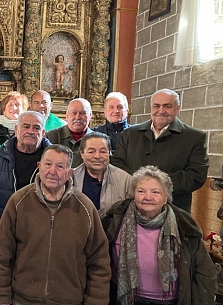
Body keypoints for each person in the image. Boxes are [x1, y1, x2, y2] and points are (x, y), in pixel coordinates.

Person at [0, 144, 111, 305]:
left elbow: (99, 261)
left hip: (69, 300)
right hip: (22, 299)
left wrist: (96, 301)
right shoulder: (18, 202)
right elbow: (1, 254)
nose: (52, 171)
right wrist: (0, 296)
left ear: (69, 173)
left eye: (60, 166)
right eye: (48, 164)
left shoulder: (85, 207)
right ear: (39, 166)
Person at [102, 166, 216, 305]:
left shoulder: (184, 226)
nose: (148, 197)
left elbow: (204, 273)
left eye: (155, 192)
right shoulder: (114, 219)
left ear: (166, 196)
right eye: (141, 191)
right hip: (124, 298)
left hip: (170, 301)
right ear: (133, 194)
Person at [0, 111, 51, 287]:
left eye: (36, 128)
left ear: (43, 133)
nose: (31, 131)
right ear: (16, 129)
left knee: (32, 284)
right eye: (26, 126)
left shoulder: (53, 159)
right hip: (2, 230)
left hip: (39, 234)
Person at [111, 88, 209, 212]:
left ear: (177, 108)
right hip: (132, 206)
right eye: (156, 106)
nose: (161, 111)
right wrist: (139, 185)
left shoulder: (194, 137)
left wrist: (157, 186)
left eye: (167, 106)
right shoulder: (131, 133)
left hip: (174, 209)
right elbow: (117, 164)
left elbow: (196, 176)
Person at [73, 131, 132, 216]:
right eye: (91, 152)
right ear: (82, 154)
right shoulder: (71, 178)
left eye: (103, 151)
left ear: (109, 153)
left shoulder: (125, 180)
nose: (97, 156)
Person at [46, 97, 93, 168]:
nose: (77, 117)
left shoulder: (98, 139)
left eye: (83, 113)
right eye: (73, 113)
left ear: (90, 115)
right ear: (67, 115)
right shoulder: (51, 136)